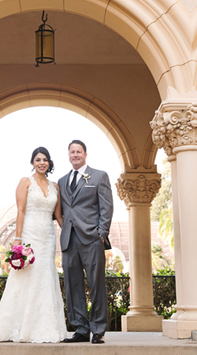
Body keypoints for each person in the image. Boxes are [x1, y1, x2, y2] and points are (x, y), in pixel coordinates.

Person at [0, 147, 68, 343]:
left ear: (49, 163)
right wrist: (18, 238)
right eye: (38, 159)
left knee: (46, 274)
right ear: (32, 162)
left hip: (48, 236)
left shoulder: (55, 187)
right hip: (30, 234)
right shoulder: (25, 182)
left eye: (45, 159)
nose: (42, 162)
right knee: (26, 276)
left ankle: (47, 326)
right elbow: (21, 211)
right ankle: (18, 326)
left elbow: (58, 216)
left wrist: (71, 233)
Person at [59, 140, 114, 344]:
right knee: (73, 287)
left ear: (85, 154)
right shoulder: (62, 181)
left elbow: (106, 207)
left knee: (96, 284)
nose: (75, 155)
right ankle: (81, 328)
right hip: (69, 240)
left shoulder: (99, 176)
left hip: (92, 238)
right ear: (69, 155)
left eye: (78, 151)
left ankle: (98, 329)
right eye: (72, 152)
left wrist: (102, 233)